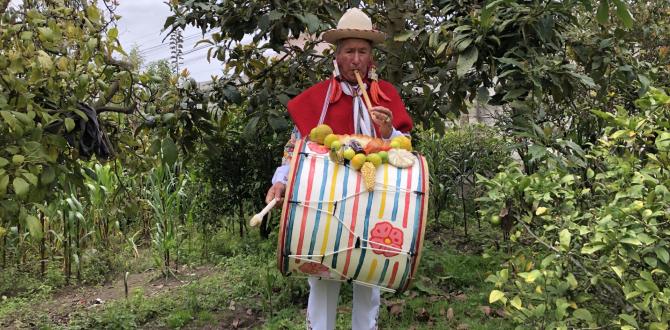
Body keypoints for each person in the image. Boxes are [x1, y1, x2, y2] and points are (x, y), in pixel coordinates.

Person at [264, 8, 413, 330]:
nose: (356, 59)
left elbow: (405, 150)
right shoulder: (319, 100)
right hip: (324, 203)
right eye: (349, 52)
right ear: (338, 55)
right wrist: (281, 180)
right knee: (321, 277)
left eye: (362, 52)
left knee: (369, 276)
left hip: (375, 200)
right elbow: (297, 147)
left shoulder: (385, 97)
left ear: (371, 57)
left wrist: (387, 132)